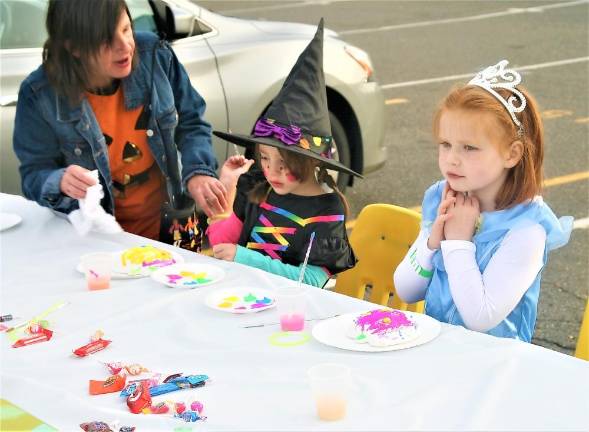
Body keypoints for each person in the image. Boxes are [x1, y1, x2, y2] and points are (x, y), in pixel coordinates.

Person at [13, 0, 227, 241]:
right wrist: (59, 180)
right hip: (98, 238)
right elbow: (33, 175)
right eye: (106, 40)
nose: (125, 46)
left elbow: (192, 121)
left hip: (177, 223)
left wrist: (198, 171)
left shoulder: (155, 54)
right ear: (73, 47)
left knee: (190, 276)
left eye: (127, 30)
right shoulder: (39, 93)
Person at [394, 60, 573, 342]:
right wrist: (431, 241)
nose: (452, 158)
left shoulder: (526, 230)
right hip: (435, 355)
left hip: (494, 370)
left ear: (512, 154)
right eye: (445, 144)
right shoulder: (443, 197)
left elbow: (479, 317)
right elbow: (406, 290)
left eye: (469, 148)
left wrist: (456, 242)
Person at [206, 20, 358, 288]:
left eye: (284, 163)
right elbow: (220, 244)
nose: (271, 171)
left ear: (311, 161)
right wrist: (229, 189)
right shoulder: (258, 187)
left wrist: (246, 258)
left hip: (293, 313)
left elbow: (312, 281)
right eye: (265, 158)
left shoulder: (327, 210)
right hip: (243, 299)